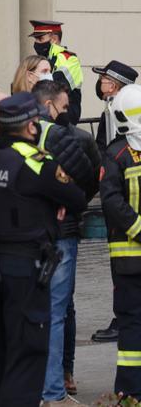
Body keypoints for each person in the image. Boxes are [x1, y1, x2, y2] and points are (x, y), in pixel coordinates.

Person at [0, 93, 93, 407]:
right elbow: (77, 198)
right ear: (30, 125)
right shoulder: (35, 162)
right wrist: (54, 202)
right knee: (25, 352)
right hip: (23, 266)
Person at [33, 80, 100, 406]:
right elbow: (88, 182)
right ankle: (53, 391)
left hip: (29, 236)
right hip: (60, 234)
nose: (66, 112)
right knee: (56, 311)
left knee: (43, 310)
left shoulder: (10, 138)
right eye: (62, 107)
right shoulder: (72, 138)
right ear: (48, 107)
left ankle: (47, 383)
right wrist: (71, 202)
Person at [92, 61, 139, 346]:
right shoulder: (110, 109)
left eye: (106, 79)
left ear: (118, 84)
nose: (101, 83)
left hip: (125, 217)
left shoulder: (120, 113)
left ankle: (121, 319)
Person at [100, 84, 141, 401]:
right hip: (130, 260)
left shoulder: (116, 154)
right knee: (131, 324)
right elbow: (112, 203)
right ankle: (129, 389)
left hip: (128, 260)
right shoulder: (116, 155)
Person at [29, 20, 84, 123]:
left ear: (54, 39)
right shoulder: (43, 60)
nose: (36, 43)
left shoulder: (69, 59)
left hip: (64, 117)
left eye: (40, 38)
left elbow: (57, 86)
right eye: (35, 39)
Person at [93, 60, 137, 152]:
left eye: (102, 78)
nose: (99, 82)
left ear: (112, 87)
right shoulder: (134, 110)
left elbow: (106, 148)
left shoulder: (113, 112)